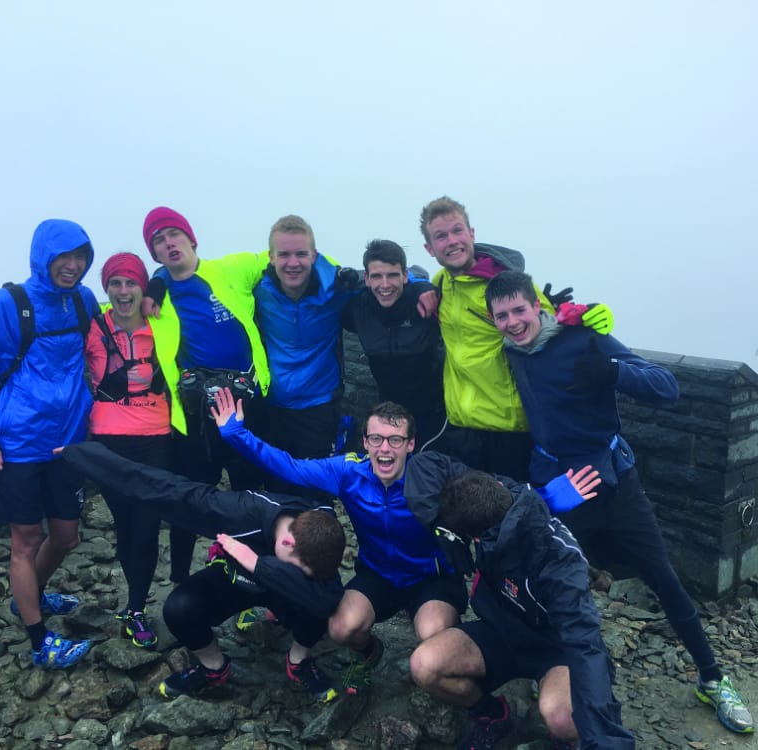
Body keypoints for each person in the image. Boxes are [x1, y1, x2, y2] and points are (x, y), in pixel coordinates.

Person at [484, 270, 755, 736]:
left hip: (615, 482)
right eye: (502, 316)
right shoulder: (510, 352)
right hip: (562, 486)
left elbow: (666, 386)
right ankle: (551, 672)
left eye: (520, 311)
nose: (512, 323)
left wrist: (612, 372)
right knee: (549, 583)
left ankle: (712, 678)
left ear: (538, 308)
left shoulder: (583, 338)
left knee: (663, 577)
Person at [213, 390, 468, 696]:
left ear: (410, 444)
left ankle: (459, 679)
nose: (384, 448)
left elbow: (482, 497)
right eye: (376, 438)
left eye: (395, 440)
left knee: (433, 634)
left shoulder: (431, 478)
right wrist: (235, 434)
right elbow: (289, 466)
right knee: (341, 628)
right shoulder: (349, 472)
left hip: (431, 577)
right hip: (379, 574)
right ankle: (367, 654)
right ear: (365, 442)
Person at [57, 441, 346, 703]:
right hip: (236, 580)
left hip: (282, 594)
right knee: (179, 609)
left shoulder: (323, 533)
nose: (296, 573)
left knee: (320, 601)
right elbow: (161, 487)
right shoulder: (240, 512)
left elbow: (328, 596)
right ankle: (213, 668)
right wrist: (81, 455)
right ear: (286, 542)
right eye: (295, 570)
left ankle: (298, 661)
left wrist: (259, 564)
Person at [0, 219, 100, 669]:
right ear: (43, 257)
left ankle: (26, 596)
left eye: (80, 257)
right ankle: (39, 641)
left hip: (68, 442)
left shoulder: (84, 300)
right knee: (26, 540)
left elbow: (105, 345)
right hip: (15, 444)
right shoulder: (4, 304)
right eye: (63, 257)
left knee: (67, 538)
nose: (72, 266)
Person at [404, 462, 635, 750]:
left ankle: (571, 740)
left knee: (563, 718)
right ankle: (492, 715)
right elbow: (429, 464)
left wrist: (607, 735)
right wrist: (441, 528)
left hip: (555, 648)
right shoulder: (499, 490)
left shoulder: (560, 561)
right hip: (500, 630)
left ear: (477, 538)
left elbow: (584, 643)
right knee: (424, 665)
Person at [419, 195, 614, 480]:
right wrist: (419, 288)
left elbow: (549, 327)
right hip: (461, 427)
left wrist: (585, 318)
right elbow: (412, 279)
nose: (452, 241)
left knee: (512, 517)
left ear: (471, 233)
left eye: (458, 231)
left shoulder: (504, 282)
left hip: (509, 431)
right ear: (430, 247)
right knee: (468, 515)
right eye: (441, 236)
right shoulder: (440, 283)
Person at [141, 206, 270, 583]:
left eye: (173, 234)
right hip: (197, 418)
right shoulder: (155, 300)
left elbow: (289, 251)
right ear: (156, 255)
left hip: (249, 409)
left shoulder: (232, 269)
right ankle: (181, 580)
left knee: (252, 497)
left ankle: (256, 578)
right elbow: (113, 307)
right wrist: (153, 283)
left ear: (191, 238)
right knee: (187, 501)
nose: (168, 243)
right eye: (158, 241)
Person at [85, 252, 171, 648]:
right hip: (108, 439)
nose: (124, 291)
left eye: (131, 283)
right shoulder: (92, 327)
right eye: (115, 283)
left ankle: (135, 606)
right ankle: (134, 606)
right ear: (106, 288)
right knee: (126, 523)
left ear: (141, 287)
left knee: (147, 524)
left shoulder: (163, 324)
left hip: (156, 436)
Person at [250, 214, 366, 497]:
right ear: (271, 257)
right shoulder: (256, 291)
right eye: (284, 254)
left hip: (320, 409)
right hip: (272, 409)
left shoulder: (337, 288)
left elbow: (388, 275)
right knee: (276, 493)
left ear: (314, 255)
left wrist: (423, 287)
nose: (293, 263)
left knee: (316, 495)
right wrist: (159, 281)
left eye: (301, 253)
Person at [342, 239, 447, 449]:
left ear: (405, 275)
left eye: (392, 275)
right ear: (367, 278)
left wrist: (424, 288)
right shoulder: (357, 309)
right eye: (377, 276)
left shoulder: (425, 304)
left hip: (435, 414)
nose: (385, 285)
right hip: (388, 411)